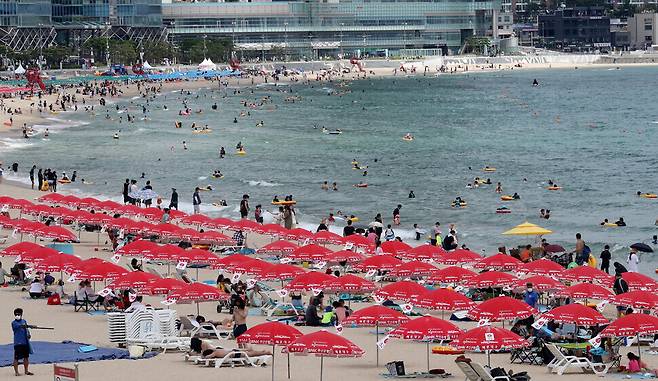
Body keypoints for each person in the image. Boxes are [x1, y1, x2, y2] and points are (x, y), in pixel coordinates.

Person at [189, 337, 272, 359]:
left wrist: (201, 356)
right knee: (248, 353)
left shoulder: (214, 352)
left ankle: (264, 352)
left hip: (232, 354)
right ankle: (262, 351)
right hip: (230, 352)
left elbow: (204, 356)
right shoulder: (215, 351)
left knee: (250, 354)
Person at [12, 308, 33, 376]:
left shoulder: (24, 321)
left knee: (26, 357)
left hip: (25, 342)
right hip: (18, 343)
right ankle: (16, 372)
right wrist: (23, 325)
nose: (18, 315)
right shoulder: (13, 323)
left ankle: (26, 371)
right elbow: (17, 326)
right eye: (16, 314)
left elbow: (26, 329)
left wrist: (28, 334)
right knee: (16, 358)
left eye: (19, 314)